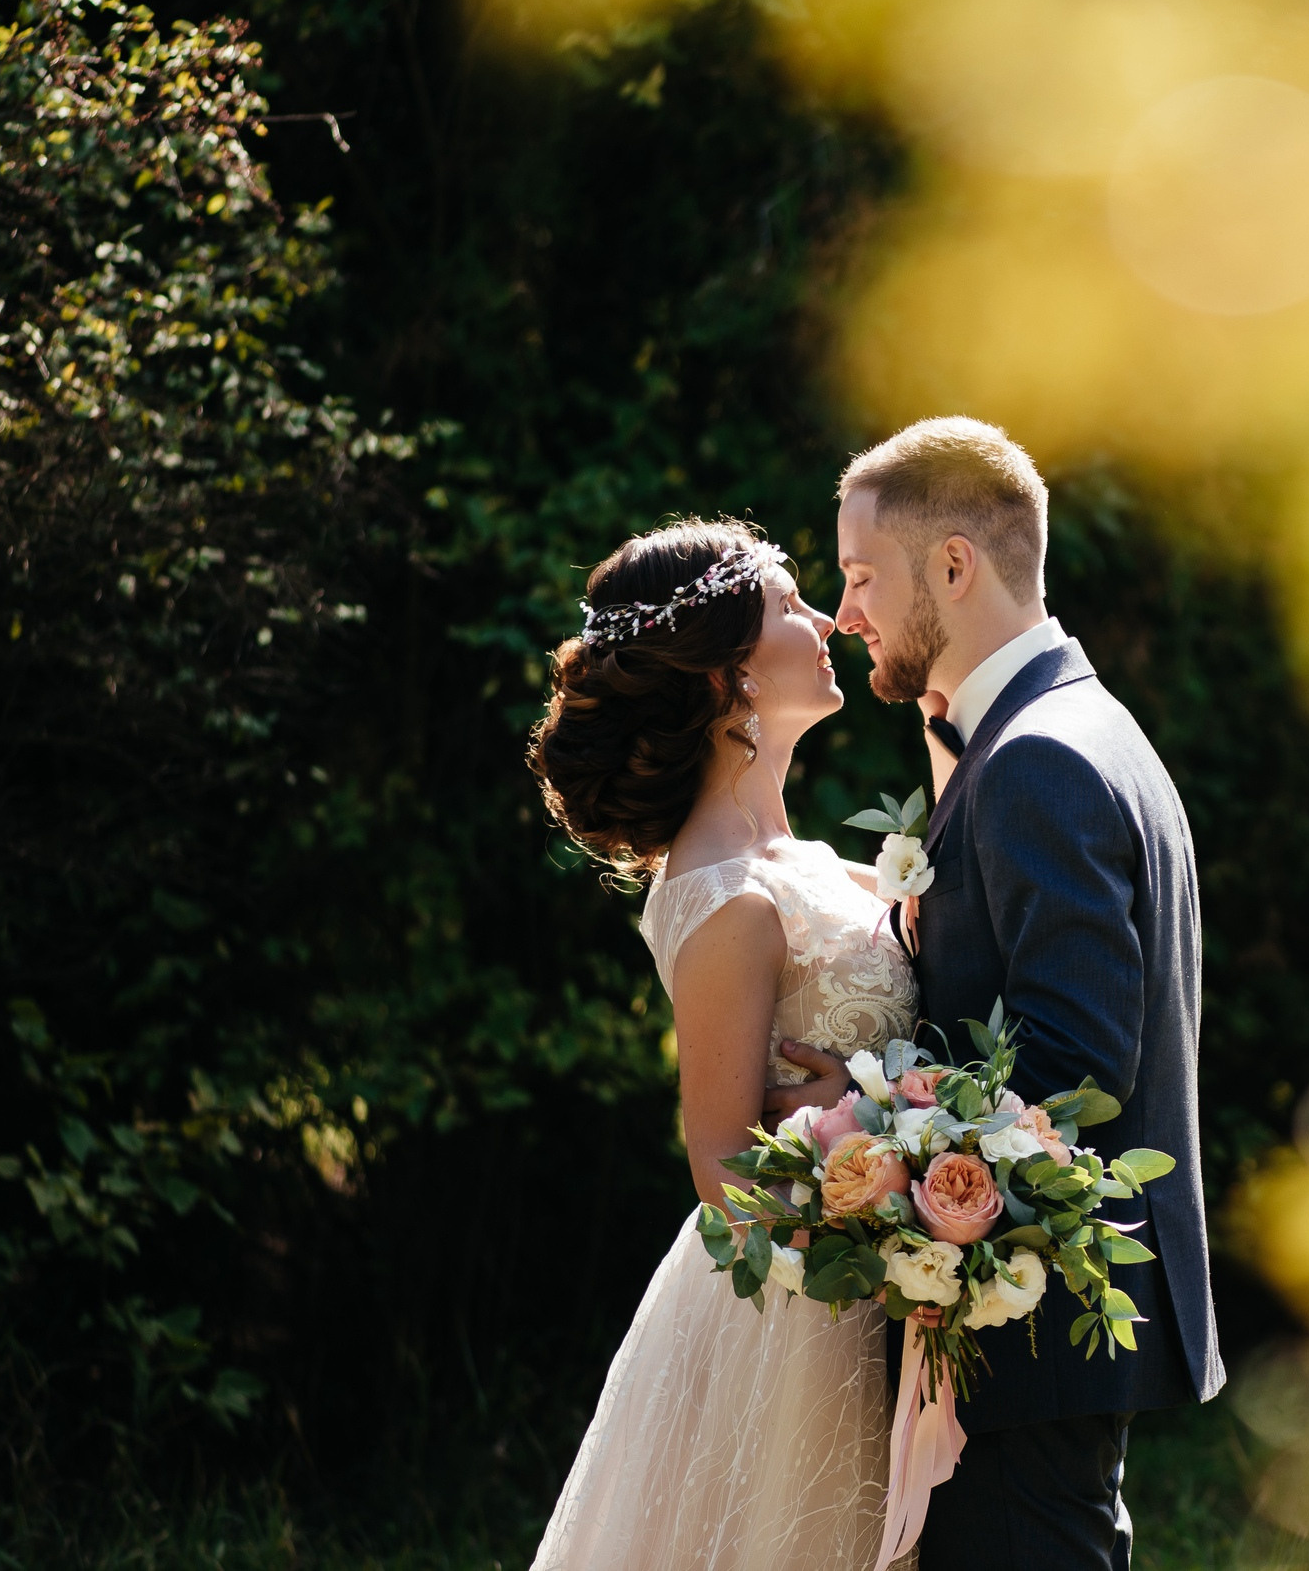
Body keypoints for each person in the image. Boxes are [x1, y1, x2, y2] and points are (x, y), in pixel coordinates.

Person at [819, 417, 1226, 1570]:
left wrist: (858, 1111)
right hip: (1034, 1332)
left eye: (861, 578)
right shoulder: (1059, 728)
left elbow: (1073, 1068)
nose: (847, 616)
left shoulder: (1040, 757)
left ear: (954, 565)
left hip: (1034, 1327)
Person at [524, 517, 917, 1571]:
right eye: (792, 605)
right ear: (724, 677)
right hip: (801, 1320)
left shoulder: (793, 856)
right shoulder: (727, 899)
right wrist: (890, 1142)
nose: (827, 617)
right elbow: (724, 1171)